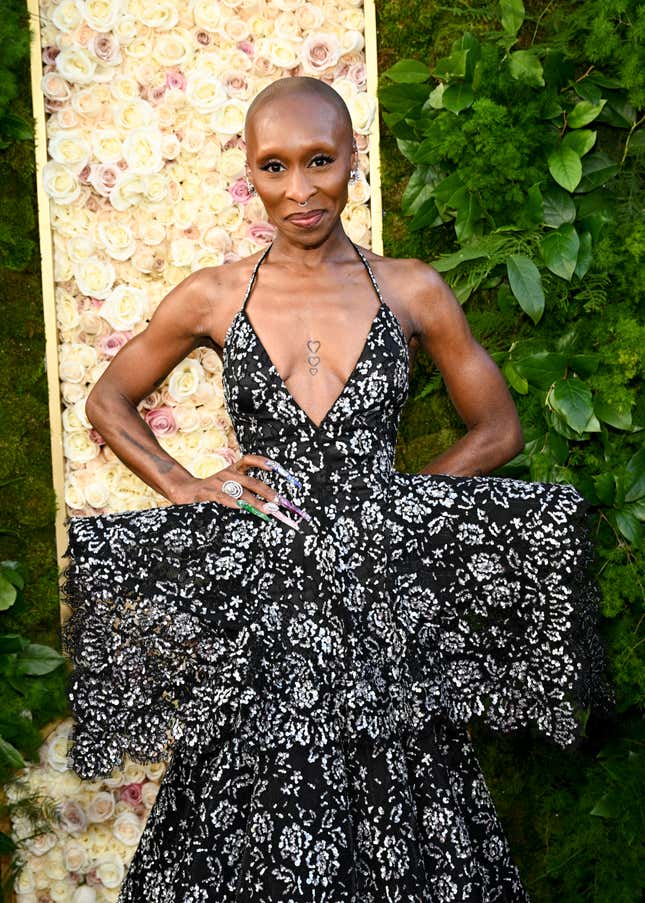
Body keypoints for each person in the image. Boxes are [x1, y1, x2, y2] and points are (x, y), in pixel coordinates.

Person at [61, 76, 611, 902]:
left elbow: (497, 429)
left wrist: (399, 504)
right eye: (273, 167)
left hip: (374, 601)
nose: (299, 189)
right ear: (250, 173)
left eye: (318, 160)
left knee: (405, 791)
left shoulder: (411, 287)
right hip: (262, 599)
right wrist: (183, 482)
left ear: (353, 156)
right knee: (240, 794)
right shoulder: (214, 294)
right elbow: (108, 398)